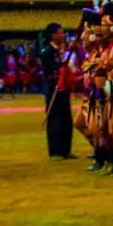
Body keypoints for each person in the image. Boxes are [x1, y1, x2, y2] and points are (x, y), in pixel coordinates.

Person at [41, 22, 75, 160]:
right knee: (55, 120)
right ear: (52, 35)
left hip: (64, 90)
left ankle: (65, 149)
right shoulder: (47, 52)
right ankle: (55, 151)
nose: (62, 35)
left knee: (66, 120)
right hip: (53, 90)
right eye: (60, 32)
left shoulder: (59, 51)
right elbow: (48, 73)